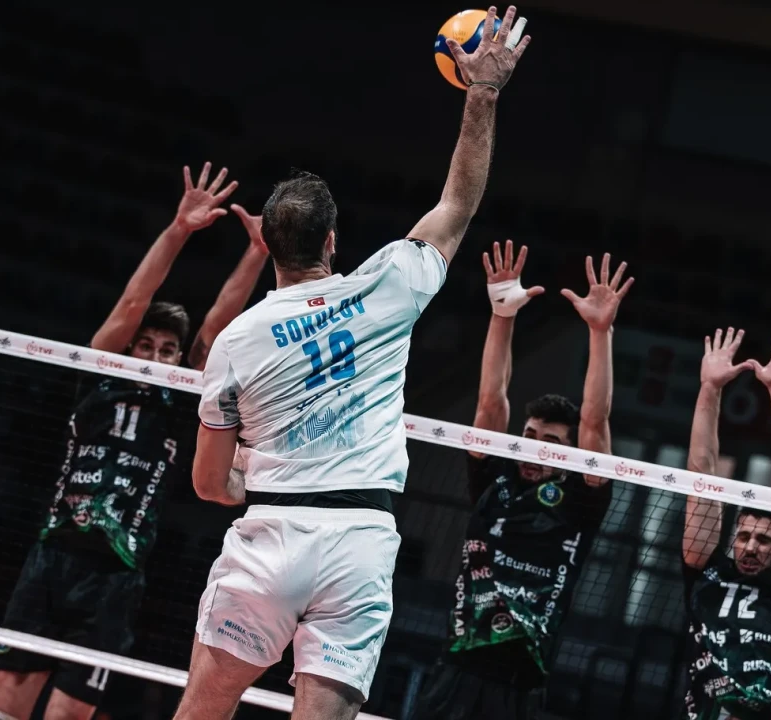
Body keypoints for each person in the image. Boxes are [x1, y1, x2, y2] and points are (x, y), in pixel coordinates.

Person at [181, 8, 531, 719]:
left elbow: (210, 485)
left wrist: (259, 477)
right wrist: (483, 93)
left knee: (203, 710)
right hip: (361, 545)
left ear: (268, 246)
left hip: (270, 539)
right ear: (333, 241)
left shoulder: (236, 341)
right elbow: (457, 204)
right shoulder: (388, 285)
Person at [0, 163, 270, 720]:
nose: (156, 356)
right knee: (2, 710)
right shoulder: (97, 376)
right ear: (130, 348)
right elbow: (133, 302)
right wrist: (179, 230)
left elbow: (216, 327)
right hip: (51, 558)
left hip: (116, 578)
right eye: (147, 346)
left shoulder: (181, 401)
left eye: (168, 350)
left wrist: (257, 252)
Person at [412, 242, 631, 720]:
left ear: (568, 454)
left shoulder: (581, 502)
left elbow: (595, 421)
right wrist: (502, 315)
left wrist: (600, 332)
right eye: (529, 437)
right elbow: (491, 403)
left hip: (522, 683)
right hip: (457, 665)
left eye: (549, 442)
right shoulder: (496, 478)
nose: (534, 447)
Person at [681, 328, 771, 720]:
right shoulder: (707, 574)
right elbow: (702, 476)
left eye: (764, 540)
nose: (750, 546)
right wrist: (709, 388)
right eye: (743, 536)